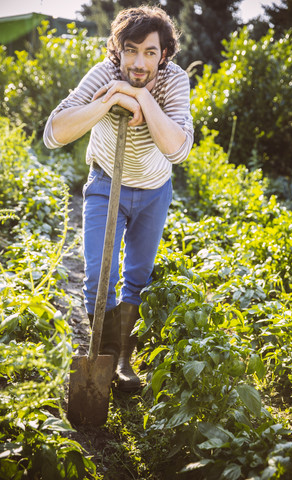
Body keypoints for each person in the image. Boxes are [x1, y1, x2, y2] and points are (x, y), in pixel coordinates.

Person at [43, 5, 194, 391]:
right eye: (131, 50)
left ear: (164, 54)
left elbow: (177, 149)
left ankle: (125, 362)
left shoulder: (174, 80)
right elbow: (54, 133)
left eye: (149, 52)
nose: (138, 62)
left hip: (154, 191)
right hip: (105, 183)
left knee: (137, 280)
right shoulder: (103, 72)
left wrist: (139, 98)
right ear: (118, 50)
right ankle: (105, 357)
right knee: (97, 279)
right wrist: (108, 101)